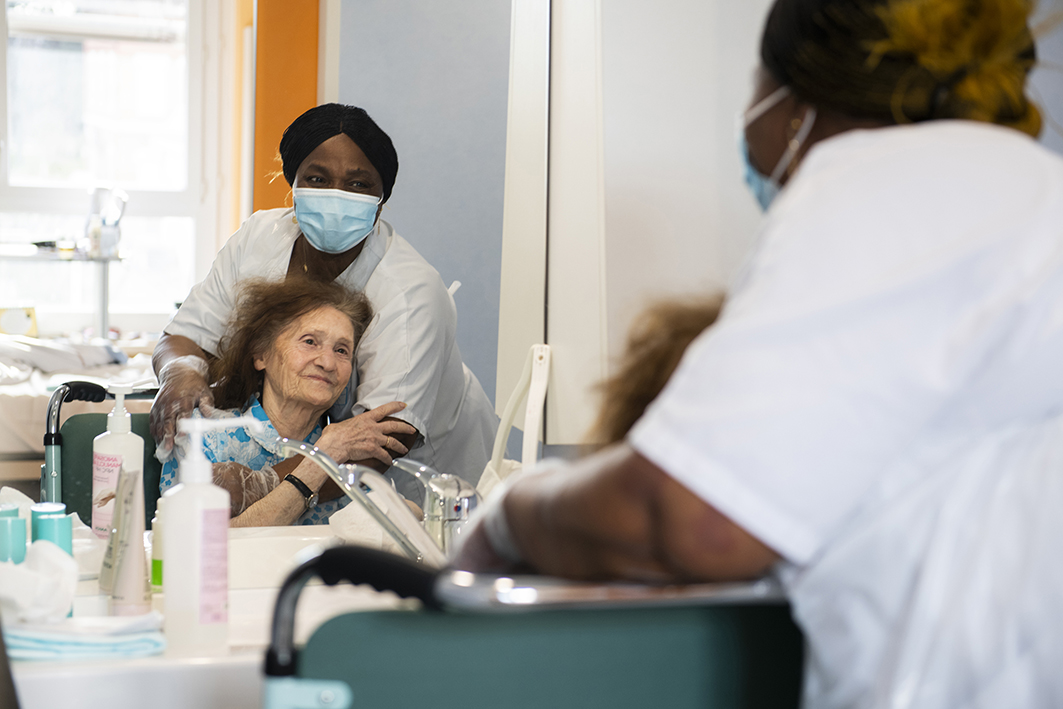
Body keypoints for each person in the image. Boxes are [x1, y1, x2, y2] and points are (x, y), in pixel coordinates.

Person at [455, 1, 1063, 706]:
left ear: (795, 103)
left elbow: (693, 521)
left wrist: (509, 514)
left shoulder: (877, 180)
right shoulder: (1022, 197)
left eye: (752, 85)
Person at [151, 104, 498, 483]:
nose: (336, 196)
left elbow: (381, 445)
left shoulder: (411, 293)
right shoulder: (259, 239)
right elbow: (185, 336)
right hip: (306, 465)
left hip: (416, 479)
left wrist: (263, 485)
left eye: (359, 184)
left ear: (381, 201)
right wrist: (179, 373)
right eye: (317, 179)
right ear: (293, 186)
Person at [159, 277, 417, 527]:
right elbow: (204, 547)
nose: (327, 363)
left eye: (341, 350)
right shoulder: (203, 434)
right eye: (309, 342)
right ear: (261, 356)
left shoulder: (350, 445)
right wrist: (324, 457)